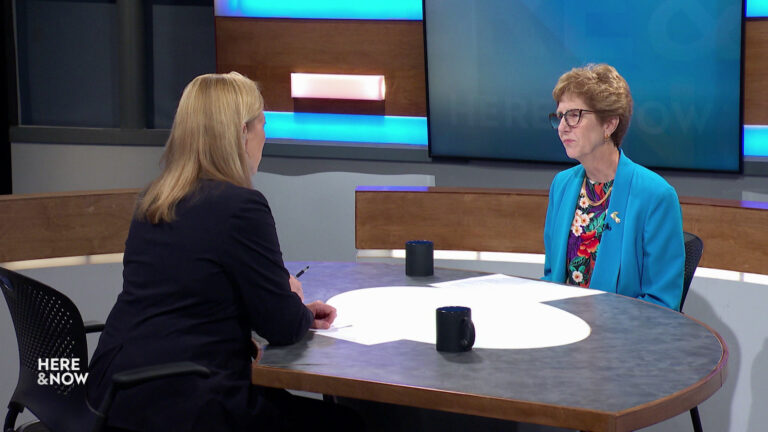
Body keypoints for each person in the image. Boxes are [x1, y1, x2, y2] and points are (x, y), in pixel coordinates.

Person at [87, 72, 348, 431]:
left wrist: (289, 309)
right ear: (242, 134)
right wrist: (293, 300)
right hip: (183, 401)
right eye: (262, 124)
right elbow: (282, 327)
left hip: (114, 393)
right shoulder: (241, 208)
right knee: (346, 423)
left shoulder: (154, 199)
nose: (265, 135)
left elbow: (192, 296)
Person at [542, 64, 684, 310]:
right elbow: (552, 276)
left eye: (574, 115)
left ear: (609, 124)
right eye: (560, 116)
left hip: (622, 340)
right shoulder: (562, 185)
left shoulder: (655, 196)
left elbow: (662, 304)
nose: (563, 127)